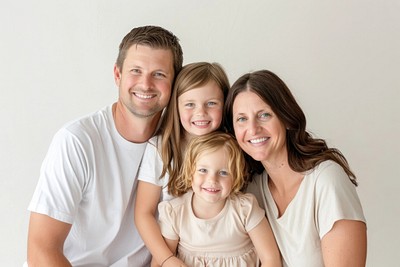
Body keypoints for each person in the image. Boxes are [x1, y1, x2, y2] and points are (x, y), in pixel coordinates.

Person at [26, 25, 183, 267]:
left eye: (159, 74)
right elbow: (41, 251)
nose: (146, 84)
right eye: (136, 71)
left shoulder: (179, 147)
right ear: (117, 74)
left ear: (175, 83)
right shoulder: (77, 141)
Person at [224, 69, 367, 267]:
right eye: (242, 119)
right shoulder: (250, 192)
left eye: (264, 115)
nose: (253, 128)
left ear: (286, 118)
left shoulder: (326, 181)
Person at [134, 62, 229, 267]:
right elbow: (144, 213)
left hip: (225, 254)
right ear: (176, 106)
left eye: (211, 103)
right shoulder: (161, 149)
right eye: (190, 104)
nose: (201, 113)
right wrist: (167, 259)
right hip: (172, 254)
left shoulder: (231, 150)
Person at [156, 131, 282, 267]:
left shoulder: (245, 209)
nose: (212, 180)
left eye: (223, 173)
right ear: (190, 172)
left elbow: (271, 259)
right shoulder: (175, 213)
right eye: (203, 170)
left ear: (235, 177)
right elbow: (160, 262)